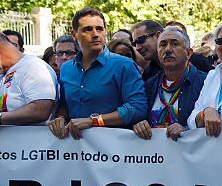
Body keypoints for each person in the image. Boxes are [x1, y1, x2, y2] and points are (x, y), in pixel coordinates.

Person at [49, 7, 147, 139]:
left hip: (115, 148)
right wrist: (60, 118)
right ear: (74, 34)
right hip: (75, 150)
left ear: (106, 32)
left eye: (99, 29)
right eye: (87, 29)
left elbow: (137, 108)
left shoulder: (124, 65)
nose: (95, 34)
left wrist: (93, 121)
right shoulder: (66, 69)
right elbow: (65, 105)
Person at [0, 29, 57, 133]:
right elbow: (2, 113)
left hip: (36, 146)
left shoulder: (33, 67)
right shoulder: (2, 74)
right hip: (10, 147)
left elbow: (41, 110)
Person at [132, 26, 206, 141]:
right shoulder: (150, 85)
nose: (168, 49)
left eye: (175, 44)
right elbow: (139, 118)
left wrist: (187, 130)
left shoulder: (205, 83)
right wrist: (139, 125)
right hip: (154, 156)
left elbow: (211, 126)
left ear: (189, 53)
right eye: (162, 45)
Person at [134, 19, 212, 81]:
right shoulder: (149, 77)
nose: (137, 48)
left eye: (141, 40)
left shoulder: (200, 64)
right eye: (134, 43)